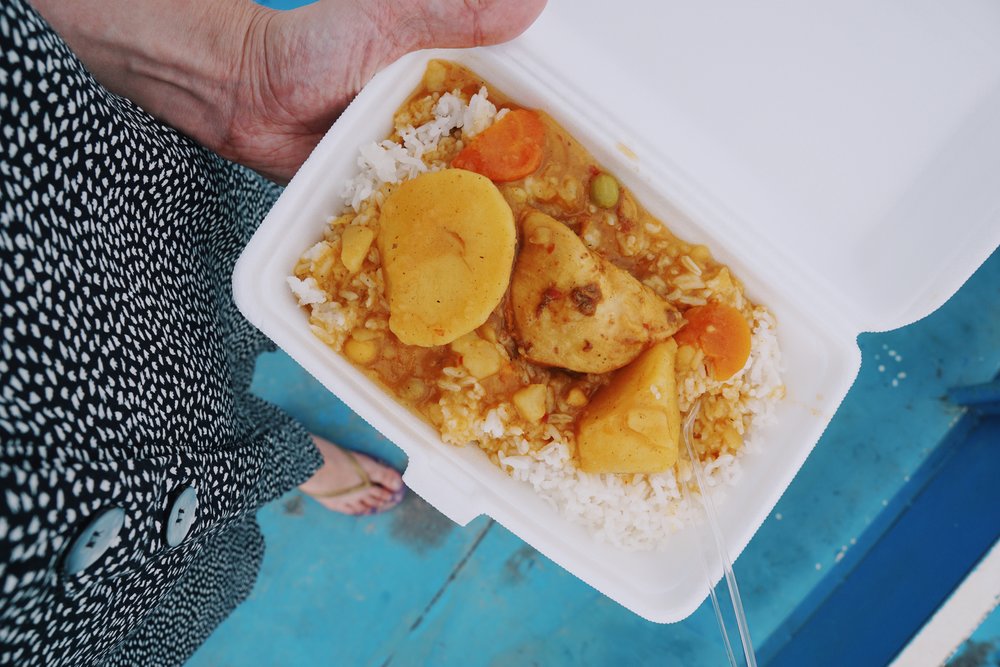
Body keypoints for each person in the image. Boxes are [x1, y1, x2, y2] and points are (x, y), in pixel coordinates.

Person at [0, 0, 546, 664]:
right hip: (120, 617)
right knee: (221, 545)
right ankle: (285, 455)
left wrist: (237, 72)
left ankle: (278, 447)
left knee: (265, 266)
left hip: (132, 201)